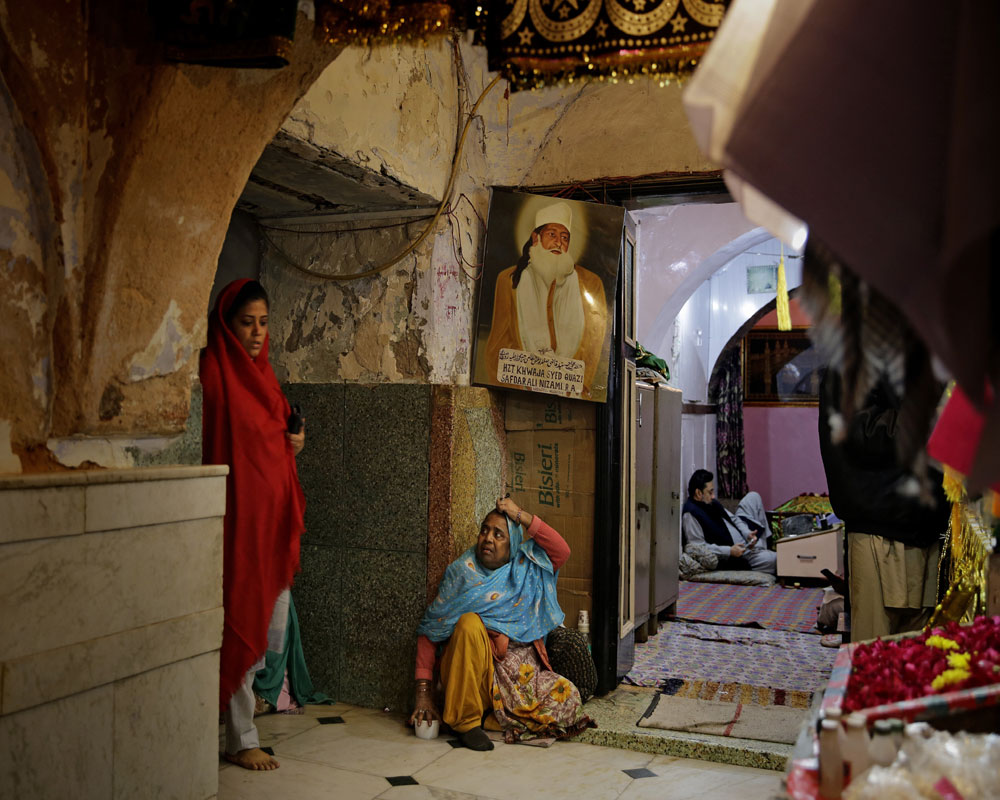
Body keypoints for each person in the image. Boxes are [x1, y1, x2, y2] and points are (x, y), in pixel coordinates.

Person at [201, 279, 307, 770]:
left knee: (273, 627)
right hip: (237, 523)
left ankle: (242, 714)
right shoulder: (216, 373)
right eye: (247, 323)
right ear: (228, 323)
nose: (258, 333)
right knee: (242, 619)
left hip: (271, 522)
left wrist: (294, 444)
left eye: (264, 323)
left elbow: (277, 436)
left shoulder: (264, 376)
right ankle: (240, 737)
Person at [409, 496, 592, 750]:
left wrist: (520, 515)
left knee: (568, 697)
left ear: (513, 545)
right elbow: (430, 631)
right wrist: (423, 695)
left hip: (519, 681)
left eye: (498, 535)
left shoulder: (526, 567)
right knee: (469, 624)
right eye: (484, 530)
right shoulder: (462, 573)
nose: (488, 539)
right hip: (474, 678)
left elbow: (561, 550)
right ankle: (466, 722)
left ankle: (493, 719)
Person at [818, 368, 950, 642]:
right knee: (876, 653)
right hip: (880, 527)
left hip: (925, 528)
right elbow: (860, 432)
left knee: (918, 653)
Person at [483, 201, 608, 398]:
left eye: (564, 237)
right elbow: (498, 345)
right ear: (536, 238)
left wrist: (576, 384)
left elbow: (593, 346)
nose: (558, 242)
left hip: (570, 394)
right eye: (552, 234)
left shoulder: (590, 283)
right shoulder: (509, 280)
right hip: (523, 391)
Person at [681, 469, 777, 574]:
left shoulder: (710, 502)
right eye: (710, 492)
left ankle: (762, 545)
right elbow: (698, 547)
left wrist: (747, 533)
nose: (713, 496)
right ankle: (762, 550)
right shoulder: (691, 514)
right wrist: (729, 551)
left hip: (744, 537)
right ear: (698, 493)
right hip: (741, 552)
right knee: (778, 560)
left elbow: (734, 519)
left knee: (753, 496)